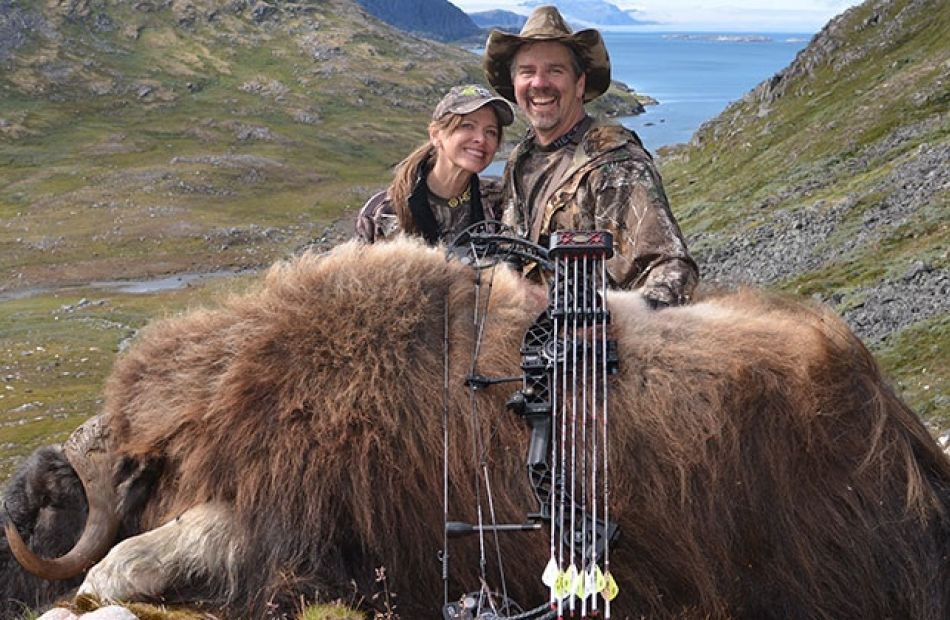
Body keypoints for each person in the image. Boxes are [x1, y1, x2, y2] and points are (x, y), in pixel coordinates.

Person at [483, 5, 699, 306]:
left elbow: (671, 269)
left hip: (591, 345)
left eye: (555, 70)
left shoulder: (617, 165)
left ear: (579, 83)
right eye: (527, 72)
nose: (539, 83)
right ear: (515, 82)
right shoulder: (521, 158)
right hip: (526, 339)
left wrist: (613, 322)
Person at [356, 84, 515, 245]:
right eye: (467, 126)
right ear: (435, 134)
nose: (481, 139)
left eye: (491, 132)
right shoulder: (383, 212)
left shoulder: (500, 202)